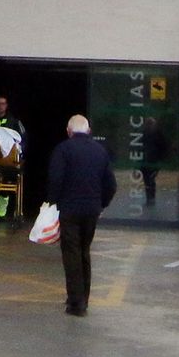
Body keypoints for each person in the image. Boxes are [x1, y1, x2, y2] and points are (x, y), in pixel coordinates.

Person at [46, 114, 116, 317]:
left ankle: (76, 302)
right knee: (84, 251)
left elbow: (55, 179)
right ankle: (84, 297)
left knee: (71, 254)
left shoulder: (63, 150)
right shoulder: (100, 151)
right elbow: (111, 184)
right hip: (92, 210)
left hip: (69, 209)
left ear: (69, 131)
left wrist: (52, 203)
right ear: (89, 131)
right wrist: (101, 204)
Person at [140, 117, 169, 206]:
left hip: (153, 160)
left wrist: (160, 159)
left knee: (150, 179)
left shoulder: (156, 134)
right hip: (148, 160)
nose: (149, 126)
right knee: (148, 179)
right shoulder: (146, 134)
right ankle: (150, 197)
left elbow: (163, 147)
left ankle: (151, 197)